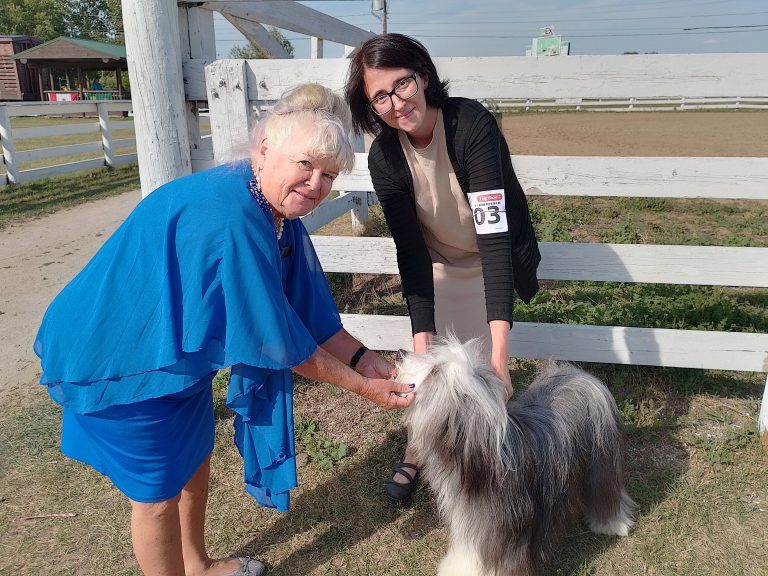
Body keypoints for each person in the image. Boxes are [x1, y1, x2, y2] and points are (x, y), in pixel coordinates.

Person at [34, 83, 414, 576]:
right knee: (156, 496)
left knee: (194, 459)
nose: (316, 184)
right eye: (306, 165)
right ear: (264, 148)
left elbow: (312, 316)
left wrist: (366, 359)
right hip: (122, 354)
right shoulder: (234, 218)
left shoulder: (274, 209)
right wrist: (365, 387)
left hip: (179, 353)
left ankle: (198, 564)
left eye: (329, 175)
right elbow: (283, 343)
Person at [344, 34, 541, 504]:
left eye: (403, 83)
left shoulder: (472, 124)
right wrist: (420, 352)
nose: (397, 103)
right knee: (434, 369)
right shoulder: (384, 157)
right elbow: (410, 253)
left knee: (479, 376)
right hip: (437, 263)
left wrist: (501, 356)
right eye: (381, 97)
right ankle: (418, 448)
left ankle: (486, 457)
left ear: (424, 76)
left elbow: (494, 238)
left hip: (492, 259)